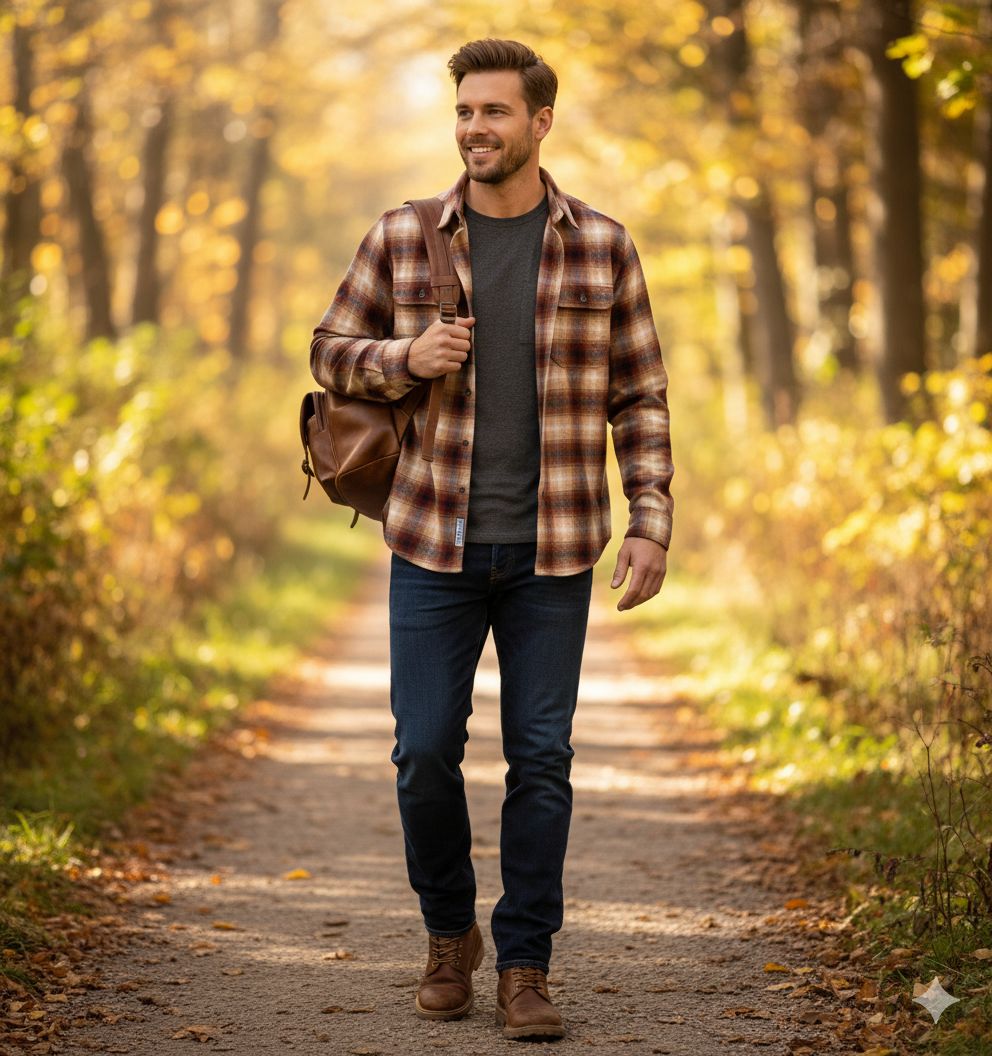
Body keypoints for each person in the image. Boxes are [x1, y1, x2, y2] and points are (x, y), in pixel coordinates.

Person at [309, 38, 674, 1042]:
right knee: (422, 753)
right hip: (432, 541)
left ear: (540, 122)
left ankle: (523, 965)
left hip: (552, 550)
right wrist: (403, 356)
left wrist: (650, 521)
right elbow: (328, 351)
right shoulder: (402, 235)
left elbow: (638, 395)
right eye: (465, 111)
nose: (476, 127)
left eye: (496, 112)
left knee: (540, 760)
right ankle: (445, 934)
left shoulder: (601, 245)